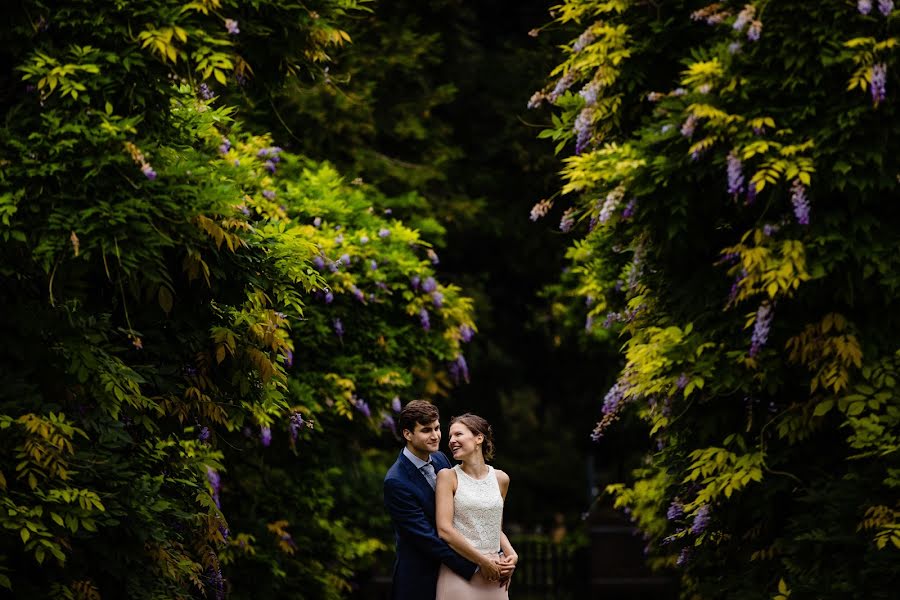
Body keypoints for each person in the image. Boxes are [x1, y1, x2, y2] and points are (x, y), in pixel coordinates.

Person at [384, 400, 486, 600]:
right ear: (407, 434)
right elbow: (427, 538)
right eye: (426, 430)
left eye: (437, 428)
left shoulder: (440, 459)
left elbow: (463, 511)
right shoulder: (396, 481)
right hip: (420, 580)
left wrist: (492, 553)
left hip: (453, 575)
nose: (435, 435)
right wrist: (474, 566)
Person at [435, 413, 518, 599]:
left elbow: (495, 526)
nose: (451, 441)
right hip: (460, 571)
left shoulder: (501, 479)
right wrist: (482, 561)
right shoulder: (447, 477)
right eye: (450, 437)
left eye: (458, 434)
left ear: (479, 438)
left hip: (495, 574)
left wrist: (511, 554)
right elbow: (444, 530)